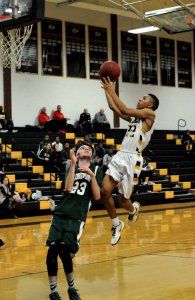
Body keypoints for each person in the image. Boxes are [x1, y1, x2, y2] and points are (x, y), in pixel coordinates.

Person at [101, 77, 159, 245]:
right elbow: (114, 107)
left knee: (122, 201)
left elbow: (125, 110)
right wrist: (106, 89)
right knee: (105, 191)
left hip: (133, 159)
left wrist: (113, 90)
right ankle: (116, 224)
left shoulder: (150, 114)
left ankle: (133, 209)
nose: (140, 99)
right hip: (120, 156)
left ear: (149, 105)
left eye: (144, 98)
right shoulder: (136, 118)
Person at [45, 143, 103, 300]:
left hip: (77, 217)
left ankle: (71, 289)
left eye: (89, 149)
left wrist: (91, 175)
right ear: (77, 154)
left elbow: (97, 196)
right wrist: (72, 165)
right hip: (60, 214)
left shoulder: (97, 170)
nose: (86, 149)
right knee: (52, 251)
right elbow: (68, 188)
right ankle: (54, 292)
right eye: (83, 148)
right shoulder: (71, 167)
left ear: (91, 156)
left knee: (64, 250)